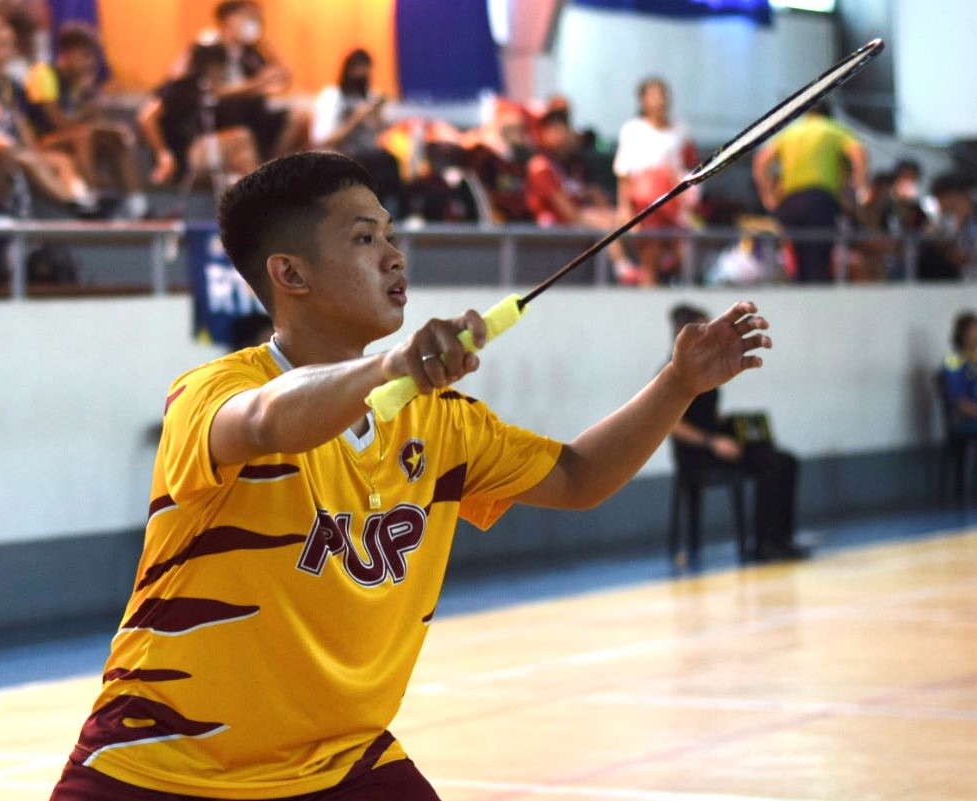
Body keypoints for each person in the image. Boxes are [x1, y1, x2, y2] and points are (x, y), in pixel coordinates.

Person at [48, 151, 775, 799]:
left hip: (341, 765)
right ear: (290, 274)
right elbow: (268, 421)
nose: (395, 256)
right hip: (158, 765)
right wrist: (388, 368)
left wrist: (676, 385)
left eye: (391, 235)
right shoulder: (212, 393)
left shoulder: (443, 422)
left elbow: (580, 478)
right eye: (364, 239)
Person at [666, 304, 804, 562]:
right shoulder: (671, 372)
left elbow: (705, 412)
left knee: (783, 460)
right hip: (699, 453)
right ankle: (766, 545)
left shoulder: (704, 369)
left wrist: (735, 425)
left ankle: (780, 539)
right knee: (772, 464)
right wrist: (711, 442)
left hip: (719, 442)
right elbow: (673, 424)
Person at [0, 15, 93, 214]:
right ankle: (70, 202)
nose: (6, 50)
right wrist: (25, 151)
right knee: (32, 162)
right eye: (0, 44)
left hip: (19, 145)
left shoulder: (13, 85)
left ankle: (82, 197)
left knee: (61, 160)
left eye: (10, 45)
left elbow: (21, 122)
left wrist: (33, 149)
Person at [26, 23, 147, 219]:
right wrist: (86, 108)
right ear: (66, 55)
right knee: (83, 135)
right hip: (42, 141)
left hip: (73, 135)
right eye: (84, 56)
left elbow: (94, 121)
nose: (90, 63)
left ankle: (137, 205)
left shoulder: (79, 83)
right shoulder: (43, 74)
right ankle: (93, 198)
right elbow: (57, 123)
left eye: (93, 57)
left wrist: (106, 123)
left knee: (116, 136)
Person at [752, 101, 867, 283]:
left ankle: (801, 289)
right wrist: (855, 188)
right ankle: (815, 294)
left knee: (798, 256)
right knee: (819, 257)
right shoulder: (833, 129)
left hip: (791, 201)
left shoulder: (790, 132)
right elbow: (858, 155)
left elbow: (761, 161)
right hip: (822, 199)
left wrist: (768, 195)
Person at [138, 41, 258, 193]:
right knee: (241, 138)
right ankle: (258, 196)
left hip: (198, 150)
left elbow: (225, 91)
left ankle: (250, 198)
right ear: (213, 67)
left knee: (240, 159)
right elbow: (146, 118)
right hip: (186, 155)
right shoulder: (180, 87)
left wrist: (259, 84)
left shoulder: (201, 88)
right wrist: (163, 154)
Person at [611, 77, 697, 286]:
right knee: (651, 256)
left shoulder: (681, 131)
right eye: (654, 95)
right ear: (642, 100)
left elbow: (687, 169)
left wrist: (687, 208)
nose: (660, 100)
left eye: (663, 95)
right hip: (644, 206)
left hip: (674, 206)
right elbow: (624, 172)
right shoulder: (632, 129)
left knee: (684, 258)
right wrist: (624, 209)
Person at [188, 0, 297, 160]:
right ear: (229, 19)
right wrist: (257, 84)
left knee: (298, 118)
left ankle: (275, 164)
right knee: (243, 134)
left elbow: (279, 80)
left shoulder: (252, 52)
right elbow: (214, 91)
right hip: (222, 119)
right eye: (249, 17)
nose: (255, 24)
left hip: (254, 115)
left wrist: (267, 51)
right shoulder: (209, 49)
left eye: (257, 19)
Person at [311, 49, 405, 219]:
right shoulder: (332, 97)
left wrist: (377, 113)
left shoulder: (369, 97)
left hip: (369, 156)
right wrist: (356, 118)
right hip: (341, 155)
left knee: (389, 161)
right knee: (383, 162)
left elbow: (380, 132)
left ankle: (393, 212)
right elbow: (323, 140)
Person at [526, 107, 614, 230]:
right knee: (610, 230)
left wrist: (611, 217)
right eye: (554, 130)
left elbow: (599, 197)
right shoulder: (540, 166)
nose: (560, 136)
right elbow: (570, 214)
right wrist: (604, 222)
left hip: (585, 228)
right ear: (544, 134)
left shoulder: (576, 163)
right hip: (554, 233)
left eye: (563, 128)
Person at [945, 311, 977, 437]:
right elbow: (958, 401)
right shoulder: (953, 361)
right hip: (966, 418)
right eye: (973, 330)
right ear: (963, 335)